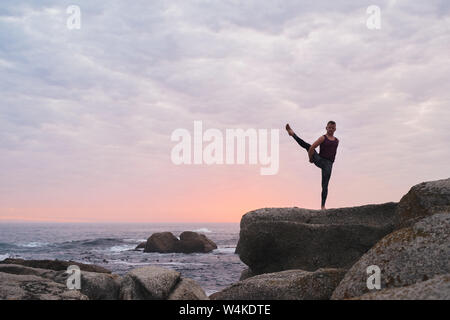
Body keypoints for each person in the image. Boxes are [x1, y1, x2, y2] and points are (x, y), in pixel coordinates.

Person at [286, 121, 339, 210]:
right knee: (308, 145)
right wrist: (311, 158)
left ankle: (323, 206)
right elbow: (311, 148)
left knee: (325, 185)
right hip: (320, 160)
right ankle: (292, 134)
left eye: (332, 128)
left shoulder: (337, 141)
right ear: (326, 128)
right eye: (329, 127)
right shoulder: (322, 138)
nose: (331, 129)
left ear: (335, 129)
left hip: (329, 165)